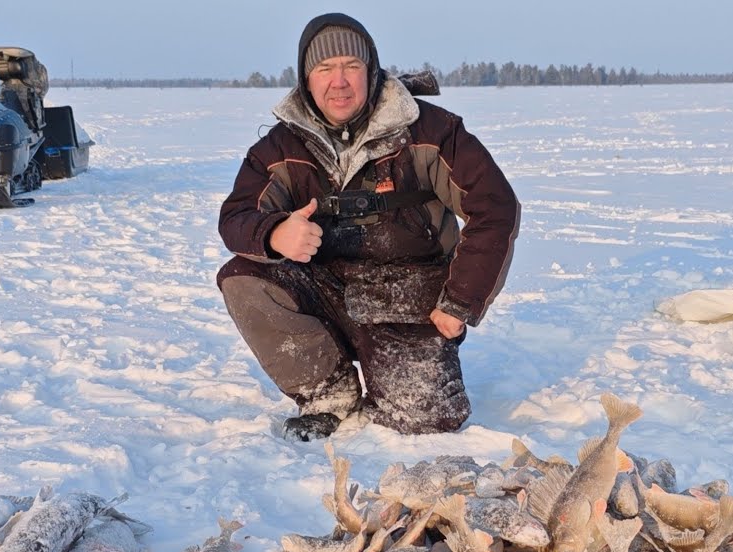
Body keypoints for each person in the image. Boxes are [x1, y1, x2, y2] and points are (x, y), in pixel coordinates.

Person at [217, 13, 520, 441]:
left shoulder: (431, 131)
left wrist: (460, 301)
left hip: (409, 297)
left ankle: (401, 372)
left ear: (371, 71)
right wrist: (273, 232)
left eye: (350, 67)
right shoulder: (279, 147)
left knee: (424, 425)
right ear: (306, 78)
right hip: (325, 288)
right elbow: (236, 216)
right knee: (243, 277)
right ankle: (328, 391)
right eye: (324, 68)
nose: (338, 81)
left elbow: (495, 208)